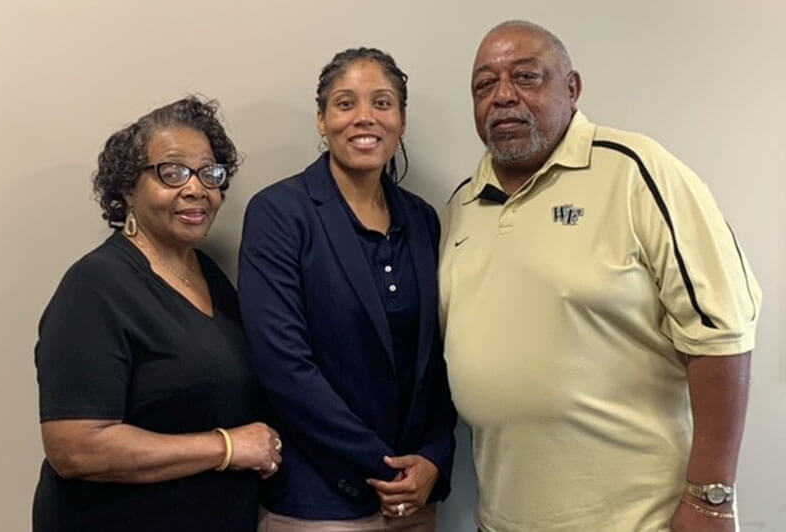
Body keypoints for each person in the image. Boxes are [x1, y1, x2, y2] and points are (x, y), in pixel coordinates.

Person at [439, 20, 762, 532]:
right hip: (502, 519)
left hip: (637, 520)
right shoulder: (462, 205)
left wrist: (711, 498)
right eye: (485, 85)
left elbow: (722, 332)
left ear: (572, 88)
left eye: (526, 77)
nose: (502, 96)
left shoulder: (636, 170)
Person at [33, 96, 282, 532]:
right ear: (128, 187)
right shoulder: (95, 287)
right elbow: (75, 447)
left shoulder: (211, 277)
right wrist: (225, 447)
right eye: (172, 172)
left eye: (210, 173)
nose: (195, 188)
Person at [238, 48, 456, 531]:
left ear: (400, 120)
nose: (365, 118)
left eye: (382, 103)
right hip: (320, 500)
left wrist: (433, 460)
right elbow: (284, 369)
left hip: (414, 498)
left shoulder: (422, 219)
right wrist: (383, 467)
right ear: (321, 120)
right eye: (345, 103)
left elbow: (440, 356)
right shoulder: (280, 214)